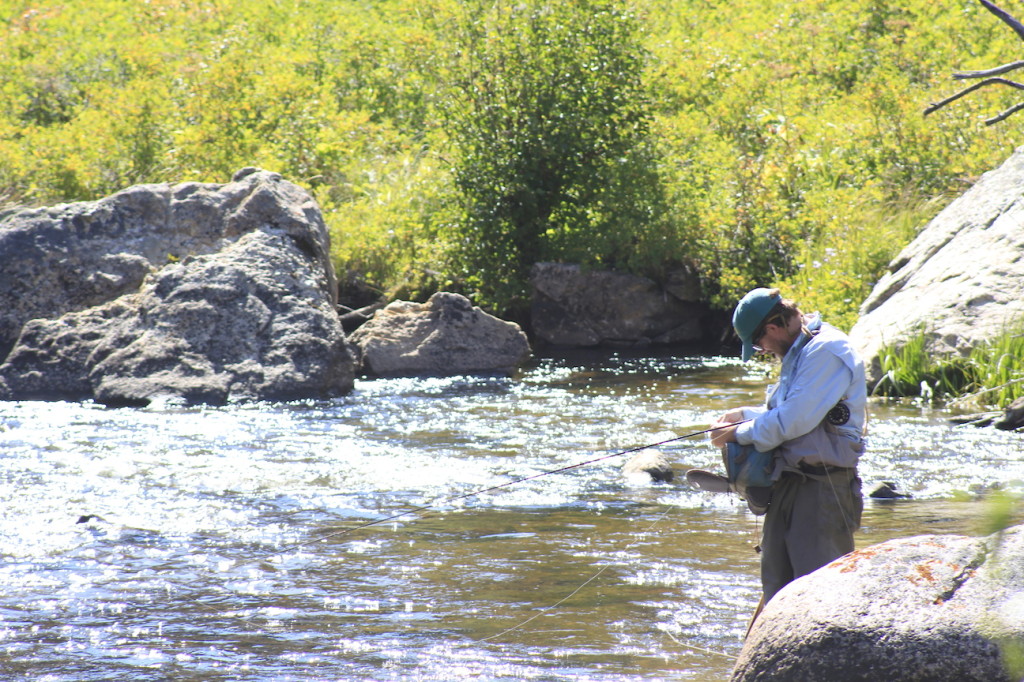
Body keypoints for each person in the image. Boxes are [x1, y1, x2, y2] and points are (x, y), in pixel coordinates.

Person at [709, 287, 866, 605]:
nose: (762, 350)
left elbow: (795, 421)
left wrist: (739, 433)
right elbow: (788, 411)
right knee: (777, 589)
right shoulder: (801, 351)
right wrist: (743, 416)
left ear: (773, 328)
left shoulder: (826, 351)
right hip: (790, 482)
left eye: (758, 344)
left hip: (823, 487)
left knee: (820, 595)